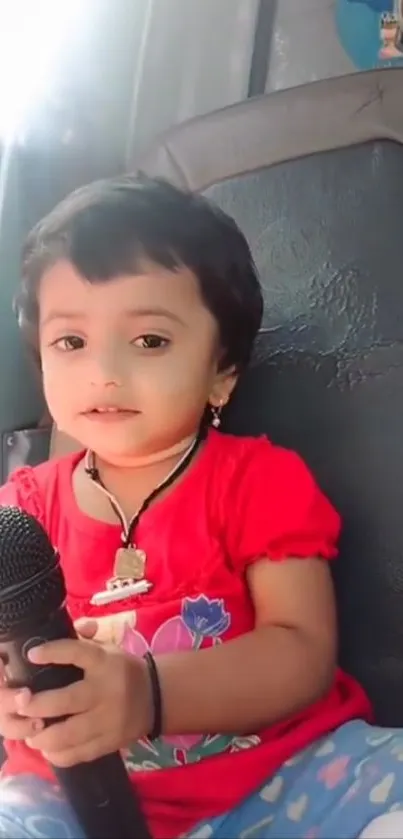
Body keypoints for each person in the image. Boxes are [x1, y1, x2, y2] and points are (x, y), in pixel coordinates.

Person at [0, 176, 402, 839]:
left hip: (283, 780)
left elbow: (300, 650)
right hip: (66, 801)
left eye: (149, 340)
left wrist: (147, 693)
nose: (103, 369)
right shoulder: (22, 509)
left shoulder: (258, 479)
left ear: (222, 372)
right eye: (71, 342)